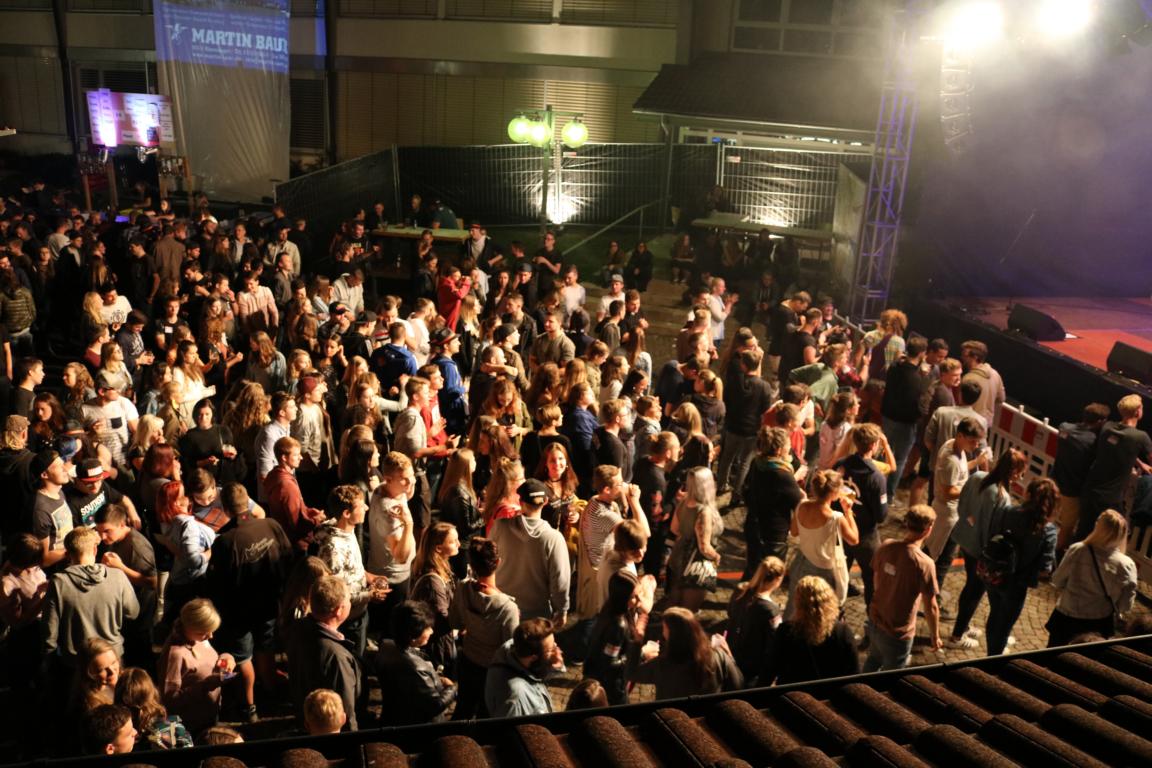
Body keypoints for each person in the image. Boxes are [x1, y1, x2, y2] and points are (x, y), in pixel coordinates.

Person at [945, 449, 1025, 649]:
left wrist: (971, 523)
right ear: (1013, 471)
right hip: (980, 549)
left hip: (964, 539)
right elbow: (995, 530)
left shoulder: (978, 477)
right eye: (1020, 472)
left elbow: (962, 506)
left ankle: (963, 626)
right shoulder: (1002, 496)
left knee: (970, 586)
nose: (1020, 477)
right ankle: (957, 636)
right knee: (974, 590)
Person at [983, 478, 1058, 655]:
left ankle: (991, 651)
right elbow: (1045, 569)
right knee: (1004, 625)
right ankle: (993, 657)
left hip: (996, 573)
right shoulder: (1048, 530)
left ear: (1028, 494)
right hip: (1018, 583)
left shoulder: (1008, 511)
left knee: (995, 613)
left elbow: (992, 534)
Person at [863, 505, 941, 672]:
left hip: (875, 620)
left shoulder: (886, 546)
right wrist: (935, 636)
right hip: (898, 632)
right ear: (928, 529)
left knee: (874, 659)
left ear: (907, 523)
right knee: (893, 673)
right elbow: (931, 606)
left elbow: (877, 580)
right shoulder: (925, 564)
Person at [449, 537, 520, 720]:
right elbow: (510, 648)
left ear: (471, 564)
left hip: (468, 661)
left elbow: (455, 622)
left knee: (463, 709)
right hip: (492, 670)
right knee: (486, 715)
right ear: (498, 562)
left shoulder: (463, 588)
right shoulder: (508, 608)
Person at [1047, 509, 1137, 647]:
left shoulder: (1077, 550)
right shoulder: (1126, 565)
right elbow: (1125, 605)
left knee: (1052, 653)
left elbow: (1057, 580)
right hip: (1098, 623)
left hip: (1066, 616)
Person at [285, 575, 363, 731]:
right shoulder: (336, 657)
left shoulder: (298, 629)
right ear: (339, 610)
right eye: (348, 600)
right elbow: (345, 710)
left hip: (310, 722)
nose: (350, 603)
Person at [491, 478, 571, 624]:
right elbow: (560, 580)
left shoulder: (499, 526)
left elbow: (487, 560)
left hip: (502, 608)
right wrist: (562, 609)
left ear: (520, 502)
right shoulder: (554, 538)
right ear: (545, 502)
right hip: (536, 616)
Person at [1077, 394, 1152, 541]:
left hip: (1089, 489)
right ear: (1138, 411)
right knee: (1113, 538)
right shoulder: (1141, 437)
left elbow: (1121, 446)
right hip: (1110, 499)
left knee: (1082, 533)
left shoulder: (1108, 427)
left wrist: (1139, 463)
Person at [785, 469, 858, 616]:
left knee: (794, 606)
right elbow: (854, 540)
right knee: (818, 611)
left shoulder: (802, 505)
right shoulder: (836, 518)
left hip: (801, 562)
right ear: (834, 493)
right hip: (823, 571)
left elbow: (794, 532)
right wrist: (848, 512)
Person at [156, 598, 236, 734]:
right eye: (204, 632)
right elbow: (170, 700)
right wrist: (206, 685)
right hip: (192, 724)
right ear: (190, 626)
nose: (210, 636)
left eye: (211, 631)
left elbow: (208, 661)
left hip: (210, 713)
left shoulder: (198, 638)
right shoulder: (175, 654)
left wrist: (226, 659)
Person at [925, 417, 987, 590]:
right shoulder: (951, 460)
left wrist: (976, 462)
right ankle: (930, 592)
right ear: (960, 436)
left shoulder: (953, 445)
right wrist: (972, 487)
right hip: (947, 515)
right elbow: (948, 492)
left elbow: (960, 472)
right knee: (940, 556)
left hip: (951, 513)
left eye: (977, 442)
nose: (976, 445)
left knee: (939, 553)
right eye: (972, 441)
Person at [764, 576, 860, 685]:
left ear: (798, 603)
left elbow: (770, 668)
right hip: (831, 692)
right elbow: (854, 673)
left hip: (794, 692)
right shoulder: (842, 632)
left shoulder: (786, 631)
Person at [373, 600, 457, 725]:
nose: (431, 631)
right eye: (427, 628)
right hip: (418, 726)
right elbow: (435, 705)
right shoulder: (416, 668)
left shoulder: (386, 646)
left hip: (393, 716)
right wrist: (452, 688)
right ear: (412, 635)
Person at [834, 422, 889, 609]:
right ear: (874, 445)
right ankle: (873, 617)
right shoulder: (876, 477)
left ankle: (835, 613)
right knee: (872, 577)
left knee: (838, 574)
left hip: (841, 529)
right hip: (865, 535)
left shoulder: (841, 465)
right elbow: (881, 516)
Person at [632, 606, 742, 699]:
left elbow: (631, 673)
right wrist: (729, 656)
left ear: (673, 635)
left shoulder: (664, 664)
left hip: (673, 715)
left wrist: (638, 643)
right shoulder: (718, 656)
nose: (663, 633)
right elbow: (738, 683)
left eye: (665, 628)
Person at [742, 426, 804, 578]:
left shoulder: (757, 462)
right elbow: (798, 502)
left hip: (753, 524)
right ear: (779, 450)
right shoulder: (782, 474)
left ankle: (745, 590)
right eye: (788, 446)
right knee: (768, 576)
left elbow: (747, 490)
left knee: (752, 568)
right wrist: (795, 480)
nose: (790, 450)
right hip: (772, 533)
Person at [582, 570, 652, 705]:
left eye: (640, 594)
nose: (640, 600)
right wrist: (641, 654)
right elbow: (609, 663)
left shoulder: (610, 607)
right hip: (611, 689)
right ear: (622, 597)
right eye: (634, 596)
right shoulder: (618, 625)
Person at [1051, 402, 1109, 554]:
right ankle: (1054, 554)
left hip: (1054, 482)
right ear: (1101, 421)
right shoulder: (1094, 442)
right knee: (1067, 527)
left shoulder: (1064, 427)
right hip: (1073, 490)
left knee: (1047, 515)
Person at [665, 466, 724, 612]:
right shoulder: (704, 512)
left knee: (674, 604)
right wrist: (716, 557)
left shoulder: (683, 502)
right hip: (695, 565)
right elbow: (704, 547)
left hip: (677, 558)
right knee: (687, 611)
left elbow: (674, 529)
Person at [485, 617, 563, 718]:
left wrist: (554, 666)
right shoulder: (516, 698)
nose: (556, 649)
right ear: (533, 657)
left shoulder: (514, 646)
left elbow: (538, 670)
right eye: (550, 649)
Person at [726, 556, 785, 686]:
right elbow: (775, 642)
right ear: (778, 579)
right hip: (752, 671)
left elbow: (730, 614)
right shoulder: (771, 611)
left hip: (732, 657)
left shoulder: (741, 593)